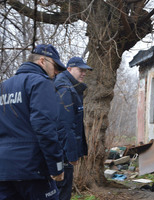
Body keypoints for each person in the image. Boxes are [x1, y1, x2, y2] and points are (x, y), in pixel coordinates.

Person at [0, 44, 67, 200]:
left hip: (4, 171)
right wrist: (57, 167)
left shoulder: (2, 88)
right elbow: (44, 127)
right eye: (55, 67)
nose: (56, 73)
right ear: (43, 61)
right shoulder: (40, 83)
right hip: (33, 171)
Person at [54, 57, 92, 200]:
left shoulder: (70, 87)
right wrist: (71, 155)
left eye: (85, 71)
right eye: (80, 70)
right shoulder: (64, 88)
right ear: (69, 69)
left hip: (63, 149)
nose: (83, 73)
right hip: (62, 152)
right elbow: (65, 125)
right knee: (62, 192)